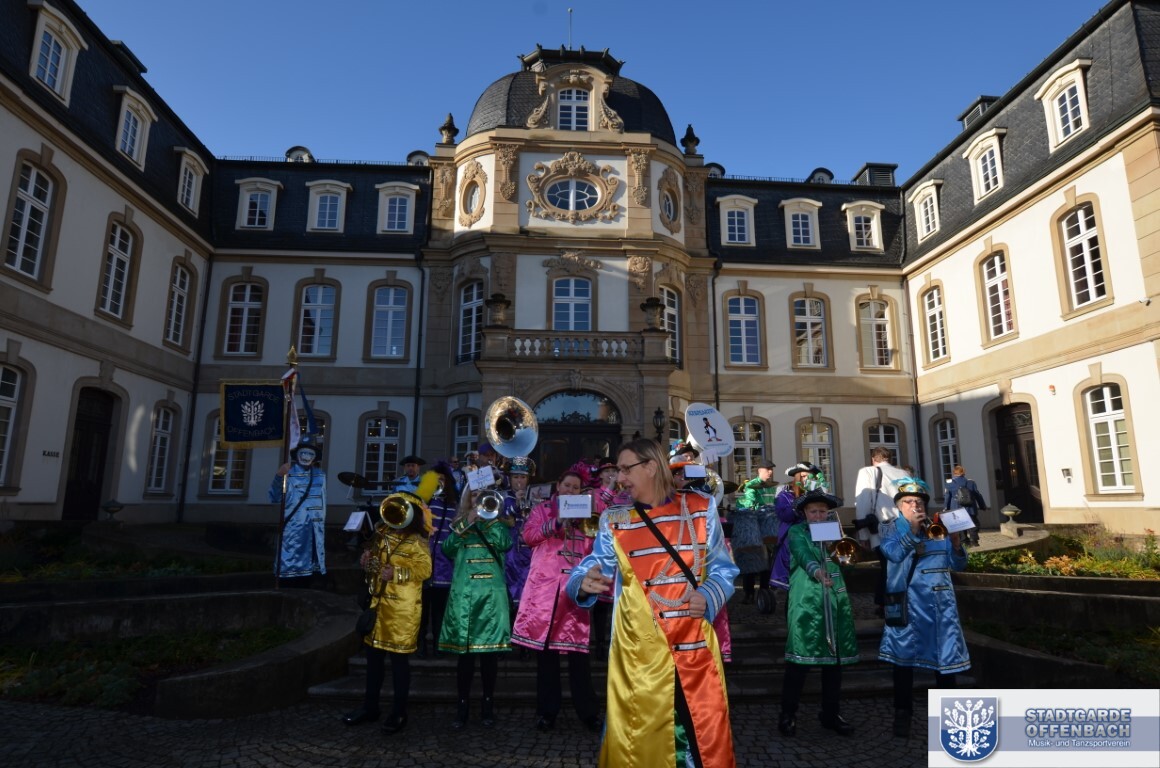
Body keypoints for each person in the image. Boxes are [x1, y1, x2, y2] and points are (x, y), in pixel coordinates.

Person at [568, 438, 738, 768]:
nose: (619, 478)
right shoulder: (615, 520)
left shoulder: (701, 507)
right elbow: (591, 565)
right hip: (639, 655)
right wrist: (583, 582)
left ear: (650, 466)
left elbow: (724, 569)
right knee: (640, 745)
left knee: (703, 740)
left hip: (694, 647)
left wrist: (708, 596)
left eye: (625, 469)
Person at [511, 469, 605, 732]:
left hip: (575, 592)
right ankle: (547, 712)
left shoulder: (588, 515)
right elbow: (528, 537)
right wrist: (557, 522)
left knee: (579, 656)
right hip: (546, 592)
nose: (570, 491)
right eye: (567, 486)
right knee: (547, 658)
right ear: (558, 487)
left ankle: (588, 712)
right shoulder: (542, 510)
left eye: (576, 488)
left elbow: (595, 551)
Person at [342, 471, 435, 734]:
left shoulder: (417, 541)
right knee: (373, 661)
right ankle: (370, 707)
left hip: (403, 610)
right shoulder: (381, 534)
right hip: (379, 606)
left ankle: (399, 712)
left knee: (399, 664)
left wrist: (398, 573)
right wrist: (368, 562)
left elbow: (425, 570)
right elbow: (375, 564)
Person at [878, 478, 971, 739]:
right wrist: (911, 530)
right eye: (908, 502)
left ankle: (949, 718)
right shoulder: (890, 529)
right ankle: (902, 712)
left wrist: (956, 544)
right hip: (907, 606)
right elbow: (893, 554)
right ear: (899, 507)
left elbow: (958, 565)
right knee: (902, 662)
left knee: (945, 663)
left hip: (940, 608)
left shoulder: (937, 528)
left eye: (919, 502)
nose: (915, 506)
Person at [778, 488, 858, 738]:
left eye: (823, 511)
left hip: (835, 599)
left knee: (834, 664)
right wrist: (816, 571)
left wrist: (840, 552)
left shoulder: (834, 531)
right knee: (799, 661)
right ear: (804, 513)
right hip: (807, 601)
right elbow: (801, 553)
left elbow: (845, 561)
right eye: (813, 511)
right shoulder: (796, 531)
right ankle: (788, 713)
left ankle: (830, 714)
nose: (818, 516)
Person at [439, 485, 513, 729]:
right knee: (466, 658)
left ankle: (487, 704)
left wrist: (492, 520)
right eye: (473, 495)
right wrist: (467, 522)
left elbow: (505, 544)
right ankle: (462, 705)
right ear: (467, 499)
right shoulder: (459, 523)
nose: (478, 499)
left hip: (491, 597)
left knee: (489, 657)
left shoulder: (498, 525)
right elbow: (446, 549)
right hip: (465, 595)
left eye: (483, 495)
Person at [853, 447, 909, 615]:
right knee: (899, 566)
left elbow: (863, 503)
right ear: (889, 458)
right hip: (904, 527)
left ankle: (887, 604)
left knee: (887, 567)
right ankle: (895, 602)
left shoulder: (868, 472)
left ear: (873, 459)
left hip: (881, 529)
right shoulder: (903, 474)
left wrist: (863, 535)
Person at [268, 437, 326, 587]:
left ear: (314, 457)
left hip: (312, 530)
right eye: (303, 453)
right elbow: (274, 498)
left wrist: (320, 526)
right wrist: (279, 476)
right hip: (292, 530)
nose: (306, 456)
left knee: (309, 572)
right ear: (297, 455)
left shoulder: (320, 476)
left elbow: (322, 503)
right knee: (289, 568)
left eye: (310, 453)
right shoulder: (288, 474)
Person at [418, 461, 459, 658]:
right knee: (421, 610)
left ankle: (438, 645)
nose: (440, 483)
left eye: (443, 479)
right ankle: (420, 645)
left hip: (444, 567)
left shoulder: (454, 506)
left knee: (440, 612)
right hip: (423, 565)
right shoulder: (422, 503)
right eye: (436, 479)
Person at [769, 462, 821, 604]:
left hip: (815, 537)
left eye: (810, 477)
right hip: (792, 539)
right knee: (794, 580)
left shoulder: (817, 494)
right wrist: (799, 503)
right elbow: (784, 516)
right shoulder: (785, 495)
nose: (807, 479)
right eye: (803, 476)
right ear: (797, 477)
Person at [733, 458, 779, 604]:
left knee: (767, 561)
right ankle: (749, 593)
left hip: (768, 526)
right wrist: (754, 504)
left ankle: (764, 591)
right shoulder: (751, 485)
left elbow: (774, 503)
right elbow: (748, 503)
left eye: (771, 469)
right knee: (751, 559)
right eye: (767, 469)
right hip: (755, 525)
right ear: (759, 471)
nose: (770, 472)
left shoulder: (772, 487)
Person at [504, 457, 535, 611]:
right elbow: (502, 517)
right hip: (510, 553)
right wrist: (516, 505)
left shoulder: (535, 496)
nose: (519, 481)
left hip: (530, 552)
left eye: (523, 477)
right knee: (509, 598)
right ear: (510, 479)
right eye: (515, 477)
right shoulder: (503, 497)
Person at [945, 465, 984, 546]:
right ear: (964, 473)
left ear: (954, 473)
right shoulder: (971, 482)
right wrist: (982, 505)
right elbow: (978, 495)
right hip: (970, 508)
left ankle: (964, 541)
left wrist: (946, 507)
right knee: (973, 525)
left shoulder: (949, 483)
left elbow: (947, 497)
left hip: (956, 508)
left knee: (960, 526)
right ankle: (974, 541)